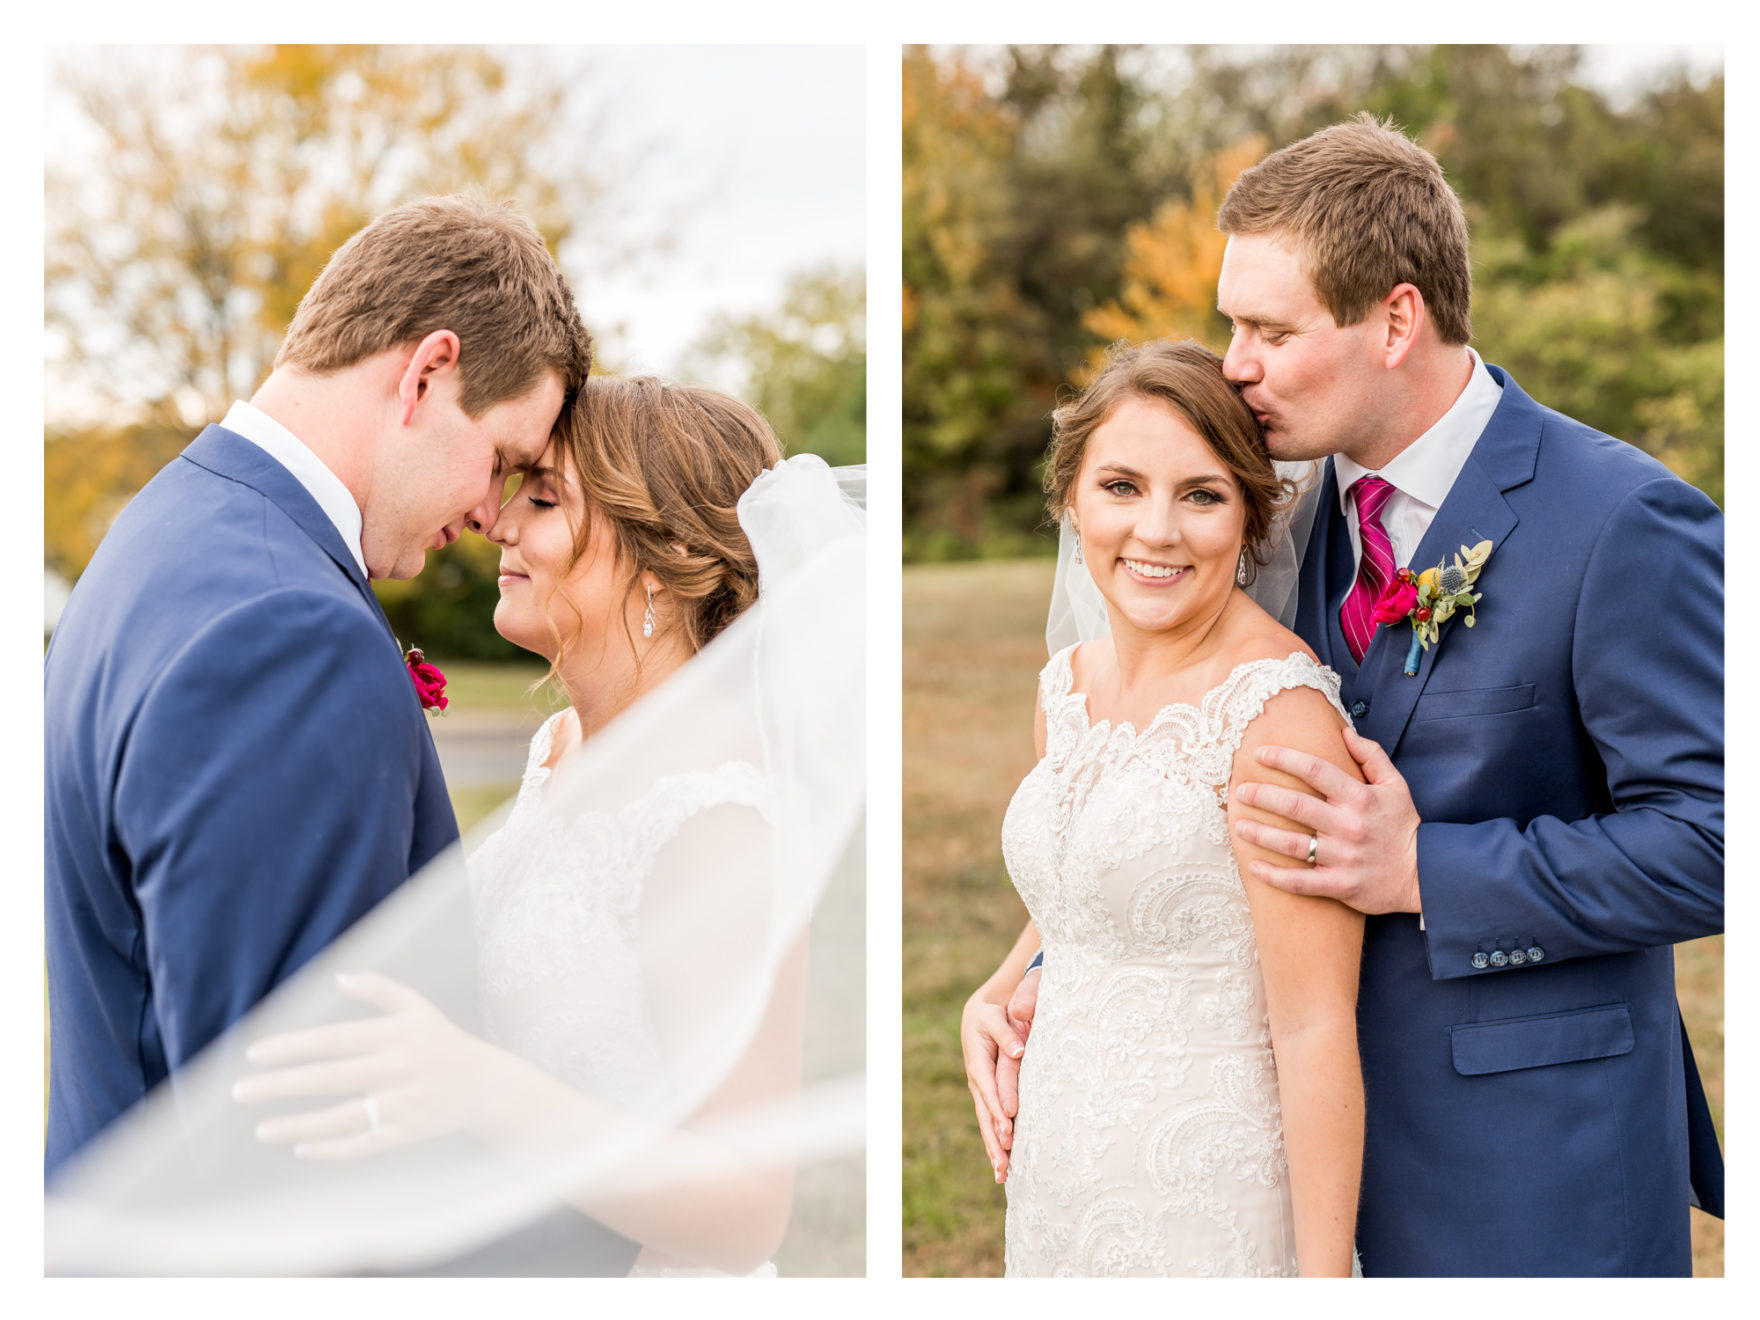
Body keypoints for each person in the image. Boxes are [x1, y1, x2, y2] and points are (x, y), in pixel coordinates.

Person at [967, 115, 1724, 1277]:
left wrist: (1428, 871)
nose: (1233, 365)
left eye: (1268, 329)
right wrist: (1032, 968)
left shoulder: (1619, 522)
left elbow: (1714, 841)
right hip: (1256, 1155)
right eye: (1230, 325)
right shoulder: (1274, 505)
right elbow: (1181, 787)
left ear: (1395, 320)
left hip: (1525, 1162)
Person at [45, 378, 867, 1276]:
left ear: (661, 555)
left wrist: (484, 1089)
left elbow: (748, 1208)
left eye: (544, 499)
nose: (500, 523)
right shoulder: (562, 747)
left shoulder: (716, 811)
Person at [44, 195, 640, 1273]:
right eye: (502, 456)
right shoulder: (287, 633)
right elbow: (290, 1157)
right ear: (428, 373)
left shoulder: (164, 530)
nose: (491, 512)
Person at [970, 340, 1365, 1277]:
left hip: (1207, 1197)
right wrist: (1002, 982)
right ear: (1071, 499)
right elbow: (1084, 891)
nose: (1157, 530)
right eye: (1121, 486)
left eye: (1201, 494)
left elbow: (1315, 1028)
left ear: (1249, 519)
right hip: (1062, 1176)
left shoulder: (1277, 714)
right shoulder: (1064, 686)